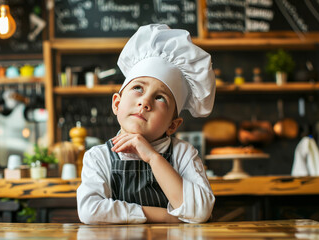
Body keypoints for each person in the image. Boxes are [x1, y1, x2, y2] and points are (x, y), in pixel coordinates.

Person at [77, 24, 216, 224]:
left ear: (172, 125)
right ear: (117, 103)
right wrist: (168, 217)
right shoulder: (98, 157)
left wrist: (152, 157)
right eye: (138, 88)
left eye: (161, 98)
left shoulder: (183, 154)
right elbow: (90, 211)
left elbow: (200, 211)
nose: (145, 102)